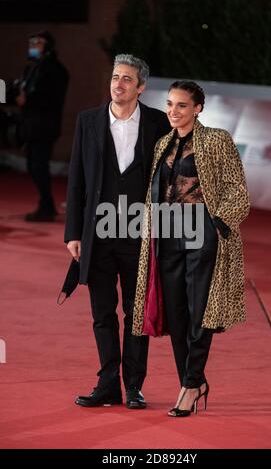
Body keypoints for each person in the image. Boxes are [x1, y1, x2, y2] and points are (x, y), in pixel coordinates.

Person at [132, 80, 250, 417]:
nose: (173, 111)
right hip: (167, 231)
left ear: (197, 108)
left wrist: (219, 224)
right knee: (176, 312)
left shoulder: (216, 140)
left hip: (203, 231)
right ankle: (193, 380)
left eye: (181, 105)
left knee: (201, 311)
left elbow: (237, 189)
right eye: (170, 104)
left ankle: (190, 384)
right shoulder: (162, 145)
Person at [64, 54, 170, 409]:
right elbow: (76, 180)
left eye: (127, 79)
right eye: (115, 76)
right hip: (98, 233)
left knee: (136, 313)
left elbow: (169, 184)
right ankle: (108, 383)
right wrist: (73, 233)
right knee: (102, 313)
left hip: (141, 236)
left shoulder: (158, 123)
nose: (118, 84)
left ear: (141, 87)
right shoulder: (88, 120)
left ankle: (134, 386)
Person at [15, 30, 69, 222]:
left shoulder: (55, 70)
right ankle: (46, 204)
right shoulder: (31, 68)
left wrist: (28, 99)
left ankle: (47, 206)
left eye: (37, 43)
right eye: (32, 43)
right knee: (33, 165)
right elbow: (19, 90)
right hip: (30, 125)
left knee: (38, 165)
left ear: (48, 46)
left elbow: (50, 97)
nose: (33, 47)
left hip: (45, 125)